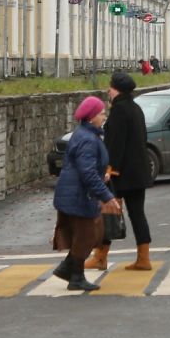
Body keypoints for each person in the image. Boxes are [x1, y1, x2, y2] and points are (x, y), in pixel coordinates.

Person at [53, 97, 121, 291]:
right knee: (88, 235)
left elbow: (88, 169)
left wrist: (103, 175)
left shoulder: (86, 134)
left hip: (76, 192)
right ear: (91, 117)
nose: (104, 116)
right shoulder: (87, 139)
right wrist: (107, 196)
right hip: (78, 194)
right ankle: (75, 276)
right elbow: (87, 172)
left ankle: (69, 269)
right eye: (101, 113)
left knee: (90, 234)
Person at [95, 71, 154, 272]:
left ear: (117, 90)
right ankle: (143, 258)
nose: (108, 91)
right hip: (139, 173)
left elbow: (115, 144)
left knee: (107, 212)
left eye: (110, 88)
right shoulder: (136, 108)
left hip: (121, 175)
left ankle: (100, 257)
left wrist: (109, 170)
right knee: (138, 215)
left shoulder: (119, 111)